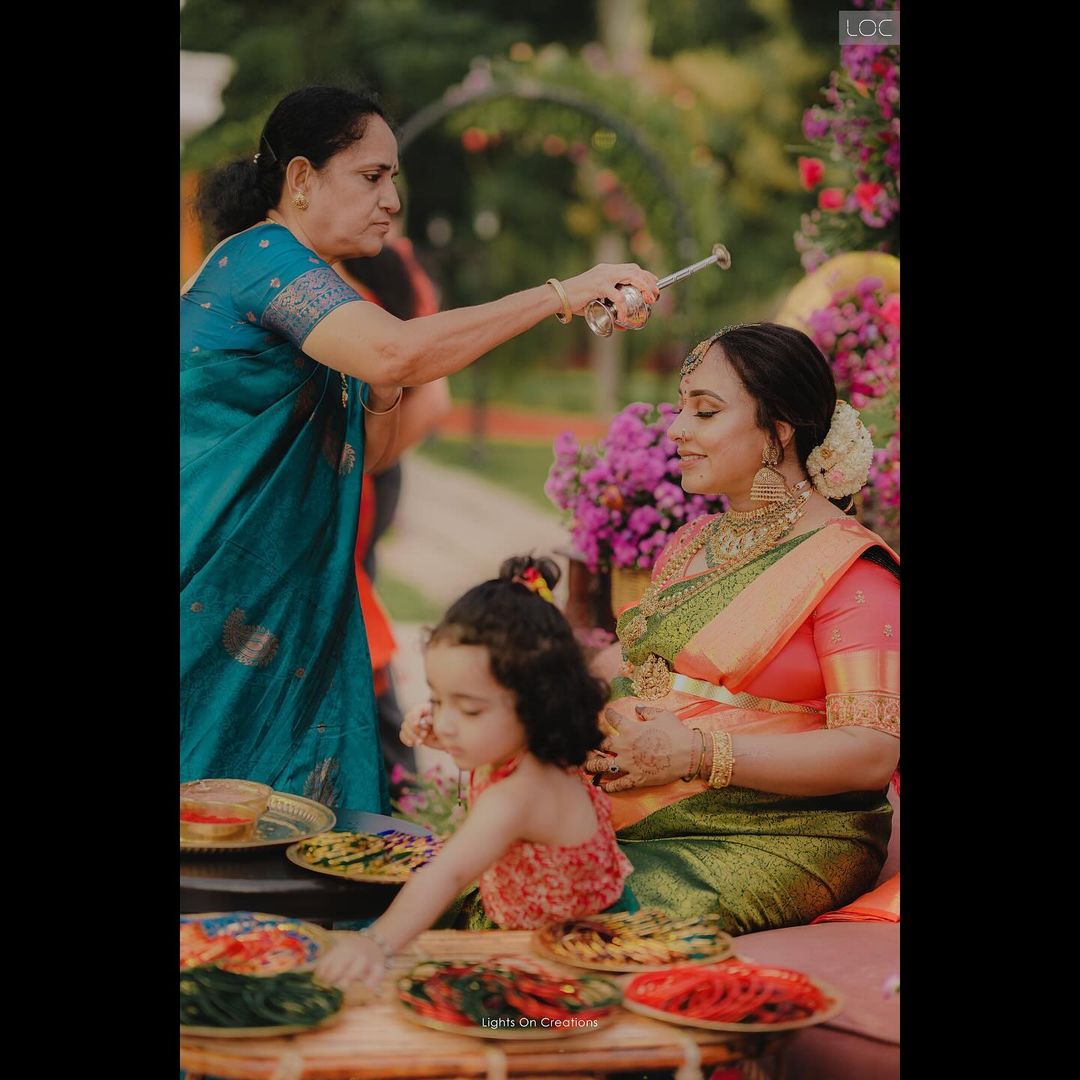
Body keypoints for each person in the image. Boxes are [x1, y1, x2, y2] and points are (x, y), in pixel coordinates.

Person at [180, 84, 658, 815]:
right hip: (210, 578)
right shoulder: (259, 261)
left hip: (274, 592)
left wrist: (380, 381)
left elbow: (369, 452)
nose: (391, 200)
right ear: (302, 178)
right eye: (372, 176)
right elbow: (398, 352)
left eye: (393, 179)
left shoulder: (312, 285)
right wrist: (565, 292)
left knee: (260, 826)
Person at [573, 322, 900, 934]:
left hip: (780, 834)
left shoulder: (850, 569)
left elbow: (871, 753)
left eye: (705, 412)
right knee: (495, 870)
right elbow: (638, 668)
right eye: (681, 409)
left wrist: (698, 753)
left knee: (586, 911)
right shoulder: (694, 540)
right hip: (644, 804)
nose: (677, 430)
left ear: (778, 431)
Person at [313, 557, 635, 988]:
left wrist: (376, 942)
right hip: (549, 941)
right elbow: (489, 736)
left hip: (580, 968)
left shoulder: (517, 796)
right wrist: (447, 732)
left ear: (535, 705)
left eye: (468, 709)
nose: (445, 721)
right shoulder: (540, 749)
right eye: (439, 700)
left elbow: (448, 872)